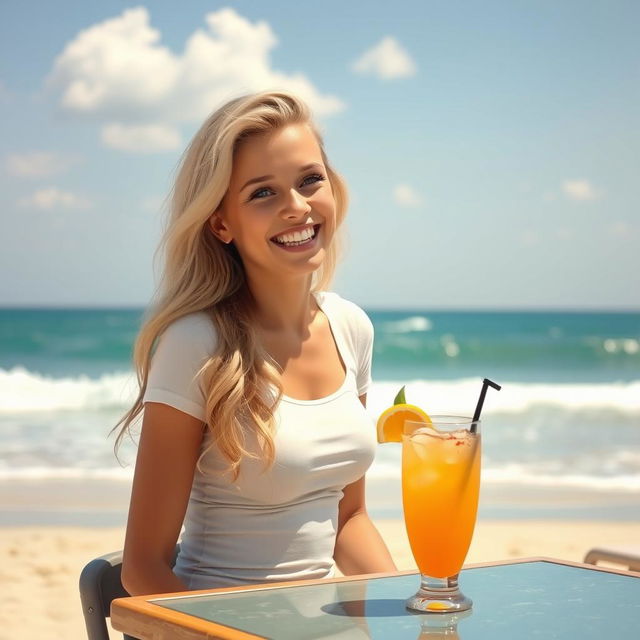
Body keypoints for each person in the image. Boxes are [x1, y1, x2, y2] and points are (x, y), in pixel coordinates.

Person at [114, 90, 397, 595]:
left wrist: (407, 606)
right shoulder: (196, 344)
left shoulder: (352, 328)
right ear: (221, 222)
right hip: (211, 624)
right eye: (262, 193)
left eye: (311, 180)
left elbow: (349, 518)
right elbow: (143, 568)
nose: (297, 207)